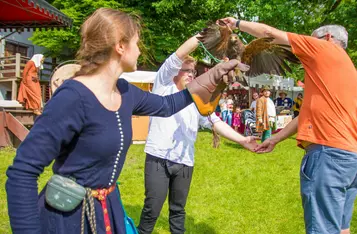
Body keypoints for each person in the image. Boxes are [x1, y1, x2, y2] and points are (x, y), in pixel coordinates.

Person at [5, 8, 239, 234]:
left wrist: (212, 76)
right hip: (70, 219)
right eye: (137, 43)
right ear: (120, 46)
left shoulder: (125, 91)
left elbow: (167, 106)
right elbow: (23, 172)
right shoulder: (72, 98)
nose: (139, 51)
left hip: (108, 210)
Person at [220, 16, 357, 234]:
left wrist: (236, 24)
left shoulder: (324, 49)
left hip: (328, 156)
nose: (303, 50)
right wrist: (275, 138)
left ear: (328, 38)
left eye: (311, 40)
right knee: (341, 229)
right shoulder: (347, 70)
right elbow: (306, 113)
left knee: (322, 229)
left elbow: (269, 33)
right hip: (350, 159)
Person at [138, 35, 257, 234]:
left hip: (185, 162)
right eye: (187, 71)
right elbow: (176, 56)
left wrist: (243, 139)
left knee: (178, 211)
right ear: (176, 72)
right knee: (152, 209)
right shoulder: (163, 87)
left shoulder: (196, 99)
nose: (191, 75)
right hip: (158, 158)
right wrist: (202, 37)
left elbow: (215, 121)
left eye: (193, 72)